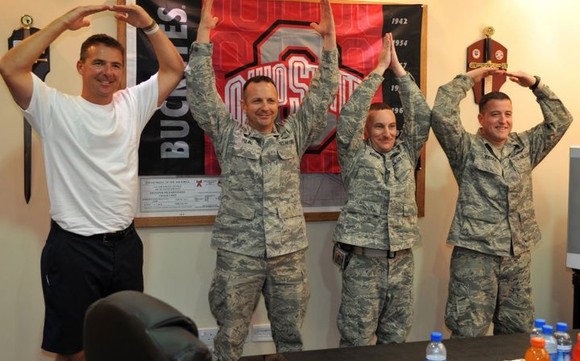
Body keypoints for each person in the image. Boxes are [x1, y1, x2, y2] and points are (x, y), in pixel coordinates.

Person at [0, 4, 184, 361]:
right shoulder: (53, 108)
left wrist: (148, 24)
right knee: (74, 351)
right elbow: (10, 66)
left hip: (126, 246)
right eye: (98, 63)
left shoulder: (132, 104)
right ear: (81, 66)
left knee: (125, 343)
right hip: (74, 251)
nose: (108, 72)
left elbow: (174, 68)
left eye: (115, 65)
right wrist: (64, 22)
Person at [184, 0, 339, 359]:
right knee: (230, 338)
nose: (265, 107)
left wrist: (329, 44)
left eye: (270, 100)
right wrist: (203, 36)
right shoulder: (228, 135)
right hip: (239, 255)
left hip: (287, 255)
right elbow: (203, 95)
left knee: (290, 339)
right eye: (257, 101)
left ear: (279, 101)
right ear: (244, 104)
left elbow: (321, 95)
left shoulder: (293, 135)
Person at [431, 67, 573, 338]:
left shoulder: (525, 146)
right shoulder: (465, 148)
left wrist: (536, 85)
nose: (503, 120)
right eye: (495, 114)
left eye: (508, 114)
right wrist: (470, 78)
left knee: (517, 335)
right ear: (481, 118)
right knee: (468, 335)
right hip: (476, 257)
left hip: (516, 259)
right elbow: (441, 113)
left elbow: (561, 120)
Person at [332, 33, 430, 346]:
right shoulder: (353, 153)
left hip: (401, 262)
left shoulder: (406, 151)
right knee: (357, 341)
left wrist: (398, 71)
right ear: (367, 129)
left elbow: (422, 116)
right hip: (363, 264)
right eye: (378, 126)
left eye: (391, 126)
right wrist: (378, 71)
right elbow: (348, 118)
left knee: (396, 339)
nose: (387, 132)